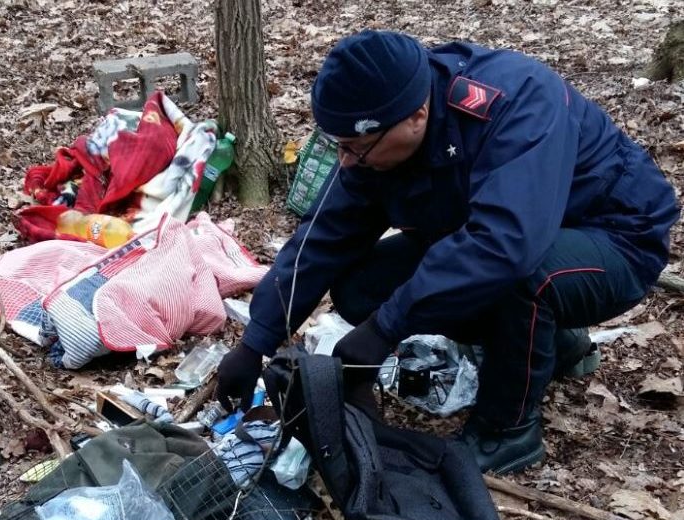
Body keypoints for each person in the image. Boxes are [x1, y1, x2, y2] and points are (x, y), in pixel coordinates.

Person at [215, 30, 679, 475]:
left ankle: (509, 430)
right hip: (515, 235)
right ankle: (554, 346)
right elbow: (325, 236)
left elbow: (505, 244)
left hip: (616, 237)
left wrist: (386, 328)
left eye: (357, 148)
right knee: (362, 288)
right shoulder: (381, 126)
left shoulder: (516, 102)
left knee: (522, 277)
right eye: (341, 147)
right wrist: (257, 340)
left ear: (417, 115)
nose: (347, 162)